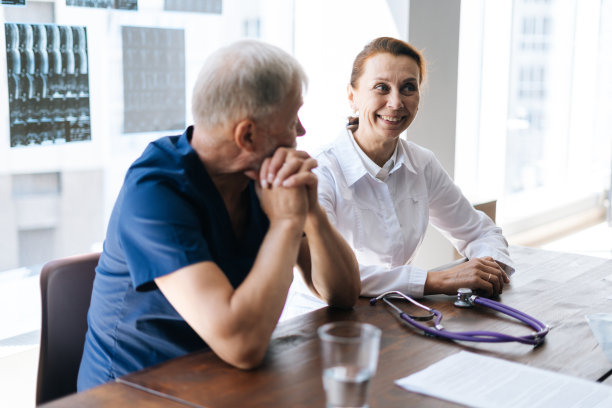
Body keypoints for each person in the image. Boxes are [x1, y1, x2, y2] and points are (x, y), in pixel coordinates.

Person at [77, 39, 360, 391]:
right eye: (292, 119)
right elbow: (242, 346)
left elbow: (344, 294)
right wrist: (286, 224)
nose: (301, 132)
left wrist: (312, 213)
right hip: (133, 393)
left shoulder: (261, 179)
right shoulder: (155, 191)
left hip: (222, 380)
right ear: (248, 135)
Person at [289, 36, 514, 312]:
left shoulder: (421, 163)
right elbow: (333, 277)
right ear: (352, 96)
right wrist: (431, 280)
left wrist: (486, 268)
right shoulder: (320, 171)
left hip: (394, 315)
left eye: (408, 88)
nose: (396, 103)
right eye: (381, 88)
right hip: (322, 322)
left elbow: (482, 233)